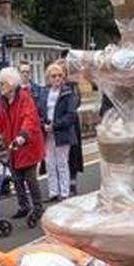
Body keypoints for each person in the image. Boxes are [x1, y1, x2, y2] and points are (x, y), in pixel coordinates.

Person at [0, 66, 45, 220]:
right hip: (13, 146)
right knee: (16, 178)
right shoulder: (3, 101)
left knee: (30, 178)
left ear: (12, 84)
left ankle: (38, 207)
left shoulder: (25, 98)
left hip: (27, 145)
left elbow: (30, 119)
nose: (0, 87)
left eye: (2, 84)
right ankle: (24, 206)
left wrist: (22, 136)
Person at [38, 62, 78, 202]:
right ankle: (53, 192)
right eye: (53, 76)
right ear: (48, 78)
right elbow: (39, 112)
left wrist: (55, 126)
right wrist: (43, 124)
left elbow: (71, 115)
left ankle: (65, 192)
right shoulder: (43, 93)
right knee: (49, 163)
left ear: (63, 77)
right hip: (47, 133)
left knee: (62, 163)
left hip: (62, 133)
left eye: (60, 75)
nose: (57, 78)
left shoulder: (68, 93)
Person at [56, 55, 85, 195]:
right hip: (57, 125)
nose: (58, 77)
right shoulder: (51, 89)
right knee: (59, 157)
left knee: (72, 154)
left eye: (61, 73)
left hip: (71, 125)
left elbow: (76, 103)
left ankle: (72, 182)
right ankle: (60, 184)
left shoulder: (72, 87)